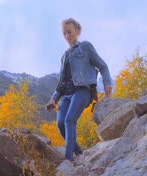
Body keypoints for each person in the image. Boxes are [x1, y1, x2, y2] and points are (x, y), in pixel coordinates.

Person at [45, 18, 112, 164]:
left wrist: (107, 82)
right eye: (64, 33)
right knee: (60, 124)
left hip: (82, 90)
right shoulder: (64, 56)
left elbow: (102, 66)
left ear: (77, 31)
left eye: (69, 32)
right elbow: (62, 81)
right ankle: (79, 152)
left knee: (70, 119)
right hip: (66, 94)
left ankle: (68, 159)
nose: (67, 36)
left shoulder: (85, 47)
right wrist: (53, 99)